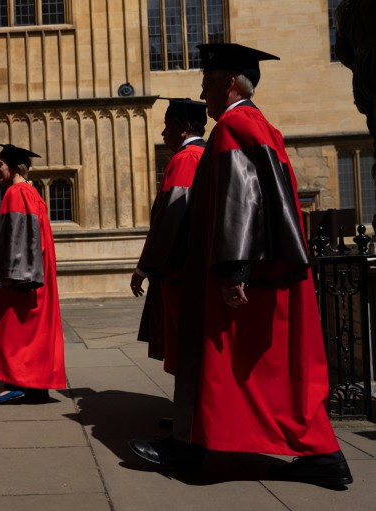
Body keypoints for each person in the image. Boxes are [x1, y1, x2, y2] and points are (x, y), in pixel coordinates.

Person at [128, 43, 353, 488]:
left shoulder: (234, 128)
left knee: (218, 362)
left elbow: (242, 204)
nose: (202, 91)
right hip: (264, 273)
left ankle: (191, 450)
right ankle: (319, 455)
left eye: (208, 82)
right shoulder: (257, 125)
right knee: (265, 371)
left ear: (229, 83)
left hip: (239, 276)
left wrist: (233, 272)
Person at [0, 143, 66, 404]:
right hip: (37, 273)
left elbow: (17, 239)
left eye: (1, 164)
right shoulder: (33, 194)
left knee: (12, 329)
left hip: (21, 275)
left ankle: (15, 383)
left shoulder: (16, 193)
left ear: (14, 167)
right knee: (35, 331)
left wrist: (11, 279)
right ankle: (37, 387)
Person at [132, 99, 207, 377]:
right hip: (196, 266)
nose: (163, 133)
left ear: (185, 128)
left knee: (185, 341)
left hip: (179, 270)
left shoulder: (186, 159)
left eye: (168, 125)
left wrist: (143, 268)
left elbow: (170, 221)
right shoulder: (207, 154)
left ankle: (188, 414)